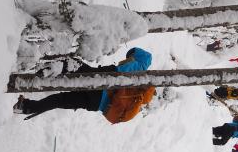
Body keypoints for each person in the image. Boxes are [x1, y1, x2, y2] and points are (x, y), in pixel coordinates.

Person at [13, 48, 154, 123]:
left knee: (73, 64)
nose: (128, 58)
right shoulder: (139, 86)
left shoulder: (139, 66)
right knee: (59, 100)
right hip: (97, 104)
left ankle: (38, 70)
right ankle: (25, 107)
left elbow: (118, 71)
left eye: (131, 55)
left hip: (102, 83)